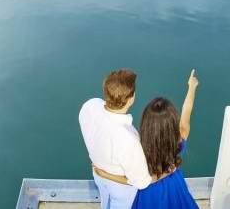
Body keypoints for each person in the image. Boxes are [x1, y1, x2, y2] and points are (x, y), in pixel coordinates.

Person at [95, 70, 200, 209]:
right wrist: (192, 87)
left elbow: (133, 181)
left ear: (146, 124)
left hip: (149, 195)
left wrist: (106, 174)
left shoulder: (138, 150)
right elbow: (187, 111)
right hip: (175, 188)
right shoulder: (179, 143)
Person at [79, 69, 152, 209]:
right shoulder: (129, 139)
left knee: (104, 202)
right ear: (131, 99)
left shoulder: (89, 106)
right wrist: (108, 174)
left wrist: (103, 173)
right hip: (120, 189)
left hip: (97, 174)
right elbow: (141, 182)